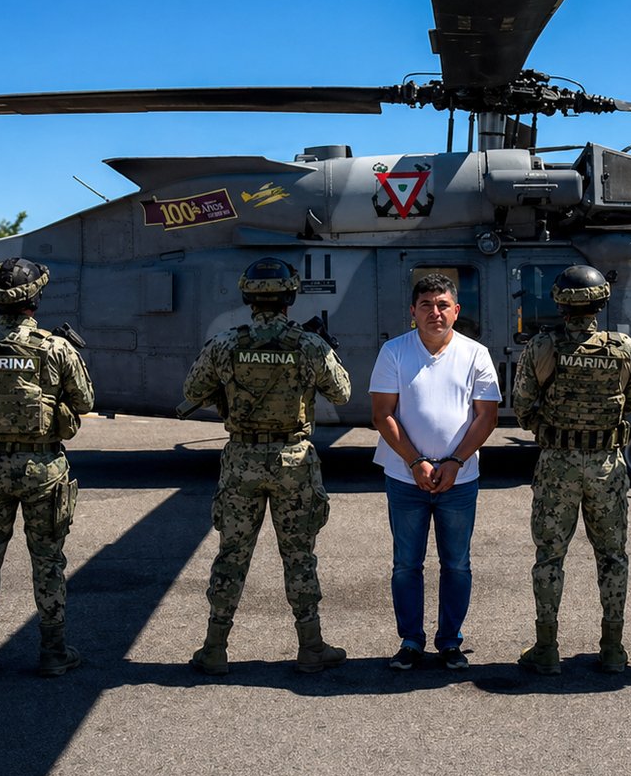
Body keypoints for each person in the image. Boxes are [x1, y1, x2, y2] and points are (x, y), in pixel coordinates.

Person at [179, 257, 352, 675]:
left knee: (232, 555)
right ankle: (311, 647)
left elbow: (191, 391)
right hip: (293, 460)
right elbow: (343, 393)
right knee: (299, 556)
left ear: (247, 296)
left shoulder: (224, 344)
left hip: (241, 460)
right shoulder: (308, 345)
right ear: (290, 296)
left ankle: (215, 648)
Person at [0, 258, 95, 679]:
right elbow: (84, 402)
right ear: (35, 300)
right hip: (43, 466)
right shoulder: (56, 348)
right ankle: (53, 652)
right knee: (48, 559)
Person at [511, 265, 631, 675]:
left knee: (550, 557)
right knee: (612, 557)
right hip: (607, 465)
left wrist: (553, 429)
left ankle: (547, 648)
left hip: (557, 466)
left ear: (559, 303)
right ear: (602, 302)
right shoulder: (625, 348)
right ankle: (612, 649)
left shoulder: (541, 348)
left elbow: (521, 408)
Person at [370, 273, 500, 671]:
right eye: (426, 305)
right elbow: (382, 414)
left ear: (456, 311)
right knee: (406, 564)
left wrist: (455, 461)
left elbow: (487, 416)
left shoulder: (475, 354)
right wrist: (415, 462)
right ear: (413, 312)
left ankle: (449, 642)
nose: (435, 313)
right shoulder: (394, 352)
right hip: (404, 476)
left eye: (443, 305)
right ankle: (410, 640)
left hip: (459, 479)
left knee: (456, 564)